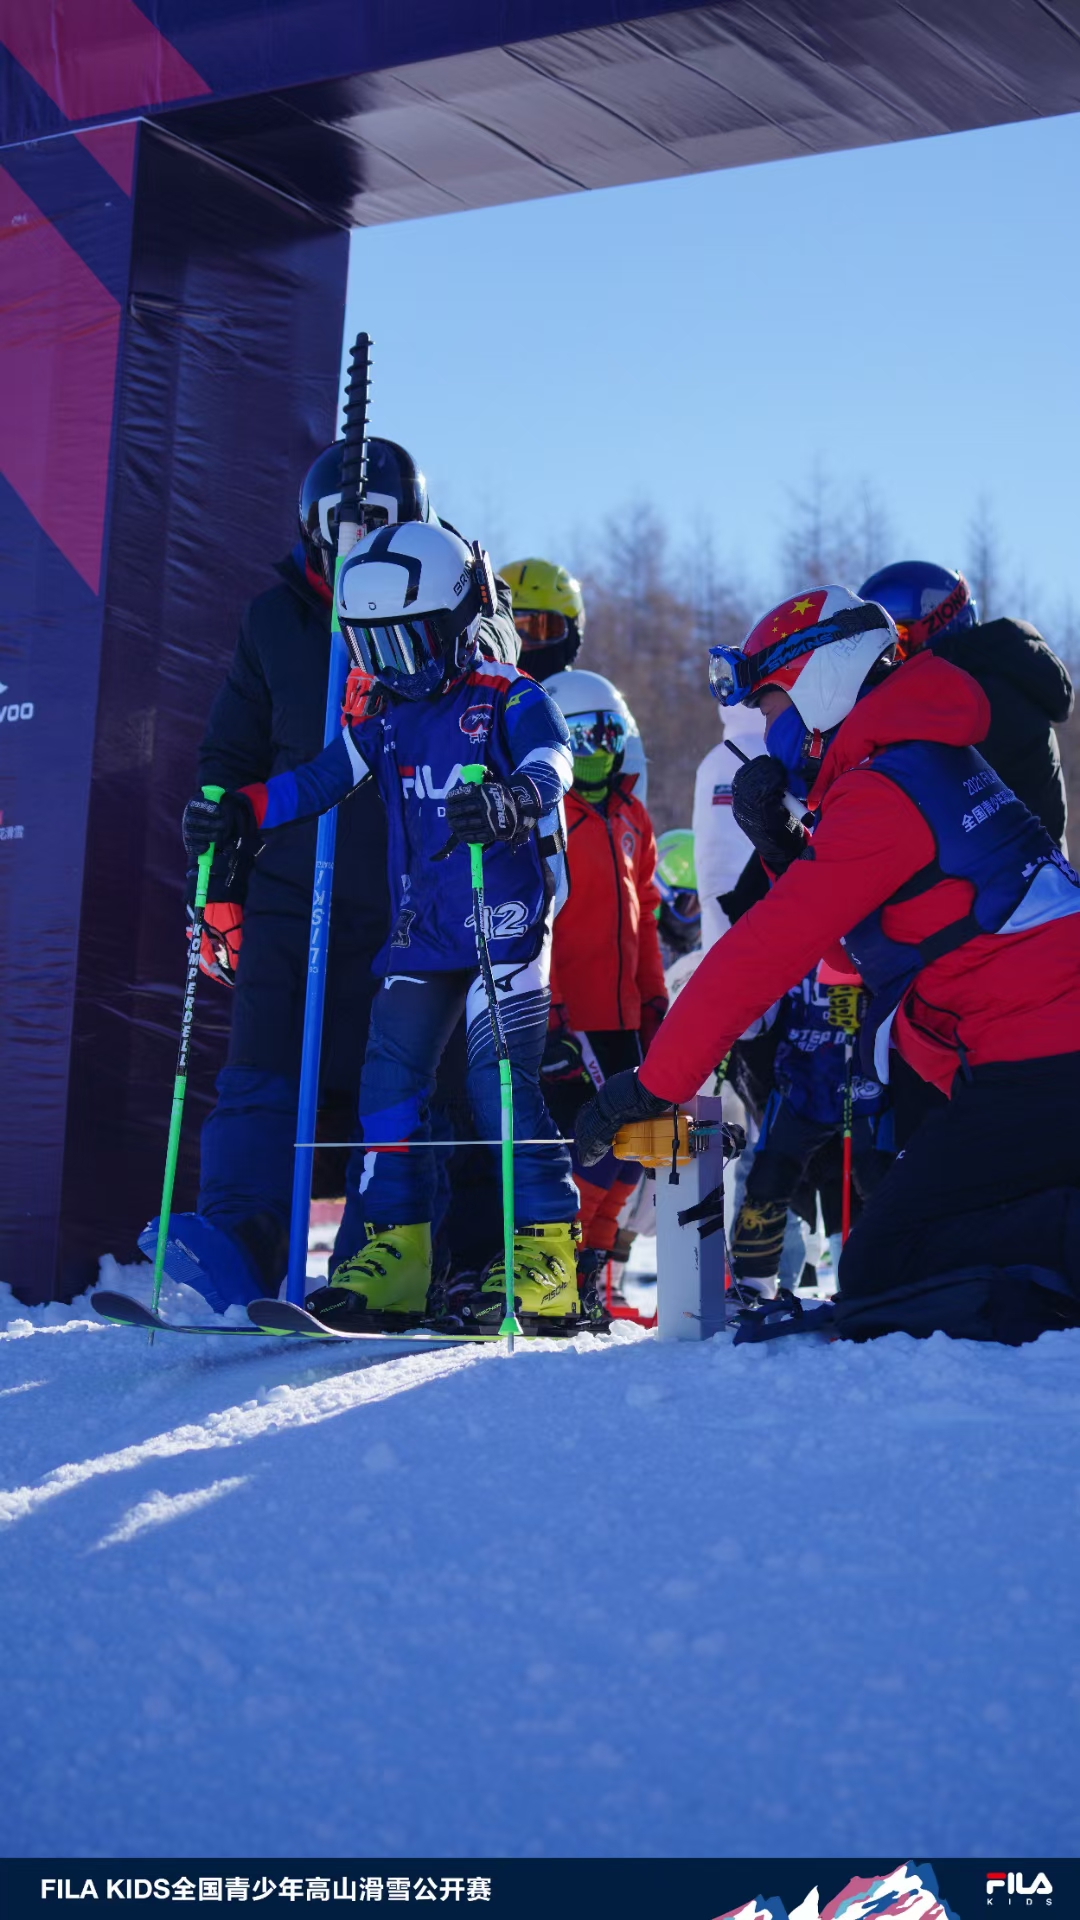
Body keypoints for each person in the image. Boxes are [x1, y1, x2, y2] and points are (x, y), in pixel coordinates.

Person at [575, 584, 1080, 1345]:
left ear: (823, 683)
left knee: (886, 1267)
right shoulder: (919, 760)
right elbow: (851, 960)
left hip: (1044, 1057)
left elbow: (758, 955)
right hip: (1030, 1049)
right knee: (902, 1242)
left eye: (771, 708)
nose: (766, 731)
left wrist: (652, 1087)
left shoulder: (886, 790)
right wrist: (786, 852)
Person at [145, 439, 520, 1315]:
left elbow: (502, 677)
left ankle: (379, 1254)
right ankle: (236, 1240)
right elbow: (230, 753)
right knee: (264, 1076)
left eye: (376, 527)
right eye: (336, 528)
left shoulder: (457, 601)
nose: (353, 545)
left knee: (404, 1084)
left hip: (413, 894)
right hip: (294, 892)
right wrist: (219, 858)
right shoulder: (275, 620)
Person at [183, 521, 582, 1335]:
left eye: (413, 642)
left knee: (498, 1091)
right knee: (388, 1091)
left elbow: (555, 762)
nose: (397, 666)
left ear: (462, 618)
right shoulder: (392, 718)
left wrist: (514, 800)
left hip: (498, 927)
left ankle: (544, 1257)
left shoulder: (507, 696)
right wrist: (239, 815)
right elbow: (318, 780)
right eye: (378, 648)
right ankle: (396, 1258)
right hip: (423, 932)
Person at [538, 669, 667, 1295]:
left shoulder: (631, 816)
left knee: (631, 1153)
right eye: (582, 736)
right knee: (595, 1149)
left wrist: (655, 998)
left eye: (609, 733)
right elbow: (540, 916)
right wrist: (552, 1012)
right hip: (574, 1015)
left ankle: (592, 1275)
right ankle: (556, 1272)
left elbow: (644, 908)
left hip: (622, 1016)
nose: (599, 749)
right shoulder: (550, 817)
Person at [859, 561, 1073, 848]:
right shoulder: (971, 688)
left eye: (896, 645)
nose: (885, 665)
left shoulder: (983, 701)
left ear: (937, 626)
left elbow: (906, 807)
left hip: (1014, 886)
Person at [728, 966, 891, 1298]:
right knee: (767, 1178)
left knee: (878, 1180)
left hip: (862, 1084)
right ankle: (753, 1284)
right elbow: (757, 1014)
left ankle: (881, 1278)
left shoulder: (868, 935)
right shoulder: (793, 939)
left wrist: (872, 1004)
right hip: (800, 1083)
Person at [501, 558, 650, 798]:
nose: (523, 647)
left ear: (571, 634)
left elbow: (632, 787)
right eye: (512, 632)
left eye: (540, 629)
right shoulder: (479, 696)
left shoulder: (597, 702)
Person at [692, 701, 767, 953]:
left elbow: (715, 871)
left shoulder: (717, 762)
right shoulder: (787, 752)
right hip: (771, 928)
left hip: (730, 939)